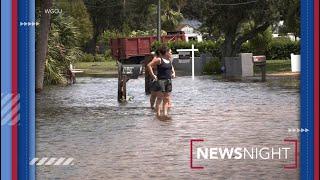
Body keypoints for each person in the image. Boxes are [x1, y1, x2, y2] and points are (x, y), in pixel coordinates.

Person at [147, 45, 175, 117]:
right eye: (170, 52)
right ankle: (158, 114)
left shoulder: (169, 60)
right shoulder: (159, 59)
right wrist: (153, 75)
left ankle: (165, 114)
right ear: (166, 52)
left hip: (168, 81)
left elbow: (171, 67)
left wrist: (173, 73)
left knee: (166, 98)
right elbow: (149, 65)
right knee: (159, 98)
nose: (171, 53)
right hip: (161, 81)